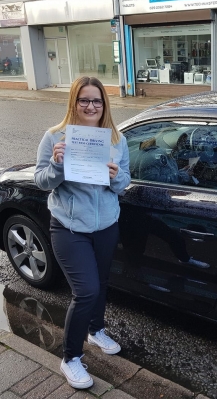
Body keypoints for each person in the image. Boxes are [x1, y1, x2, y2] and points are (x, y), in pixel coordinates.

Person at [34, 76, 131, 389]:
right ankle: (71, 357)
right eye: (84, 100)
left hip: (106, 226)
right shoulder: (54, 137)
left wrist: (116, 177)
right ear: (73, 102)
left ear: (105, 104)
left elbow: (124, 181)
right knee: (86, 290)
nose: (91, 106)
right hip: (69, 226)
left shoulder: (116, 138)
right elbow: (41, 181)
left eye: (97, 101)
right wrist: (57, 164)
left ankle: (96, 329)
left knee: (101, 283)